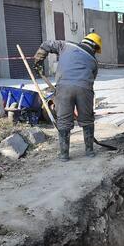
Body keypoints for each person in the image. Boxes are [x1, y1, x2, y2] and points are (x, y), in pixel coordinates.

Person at [33, 33, 102, 162]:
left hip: (64, 87)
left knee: (64, 121)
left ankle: (64, 155)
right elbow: (92, 79)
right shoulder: (94, 61)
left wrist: (38, 61)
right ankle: (89, 151)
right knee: (87, 120)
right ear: (94, 47)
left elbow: (46, 45)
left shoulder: (65, 45)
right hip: (85, 89)